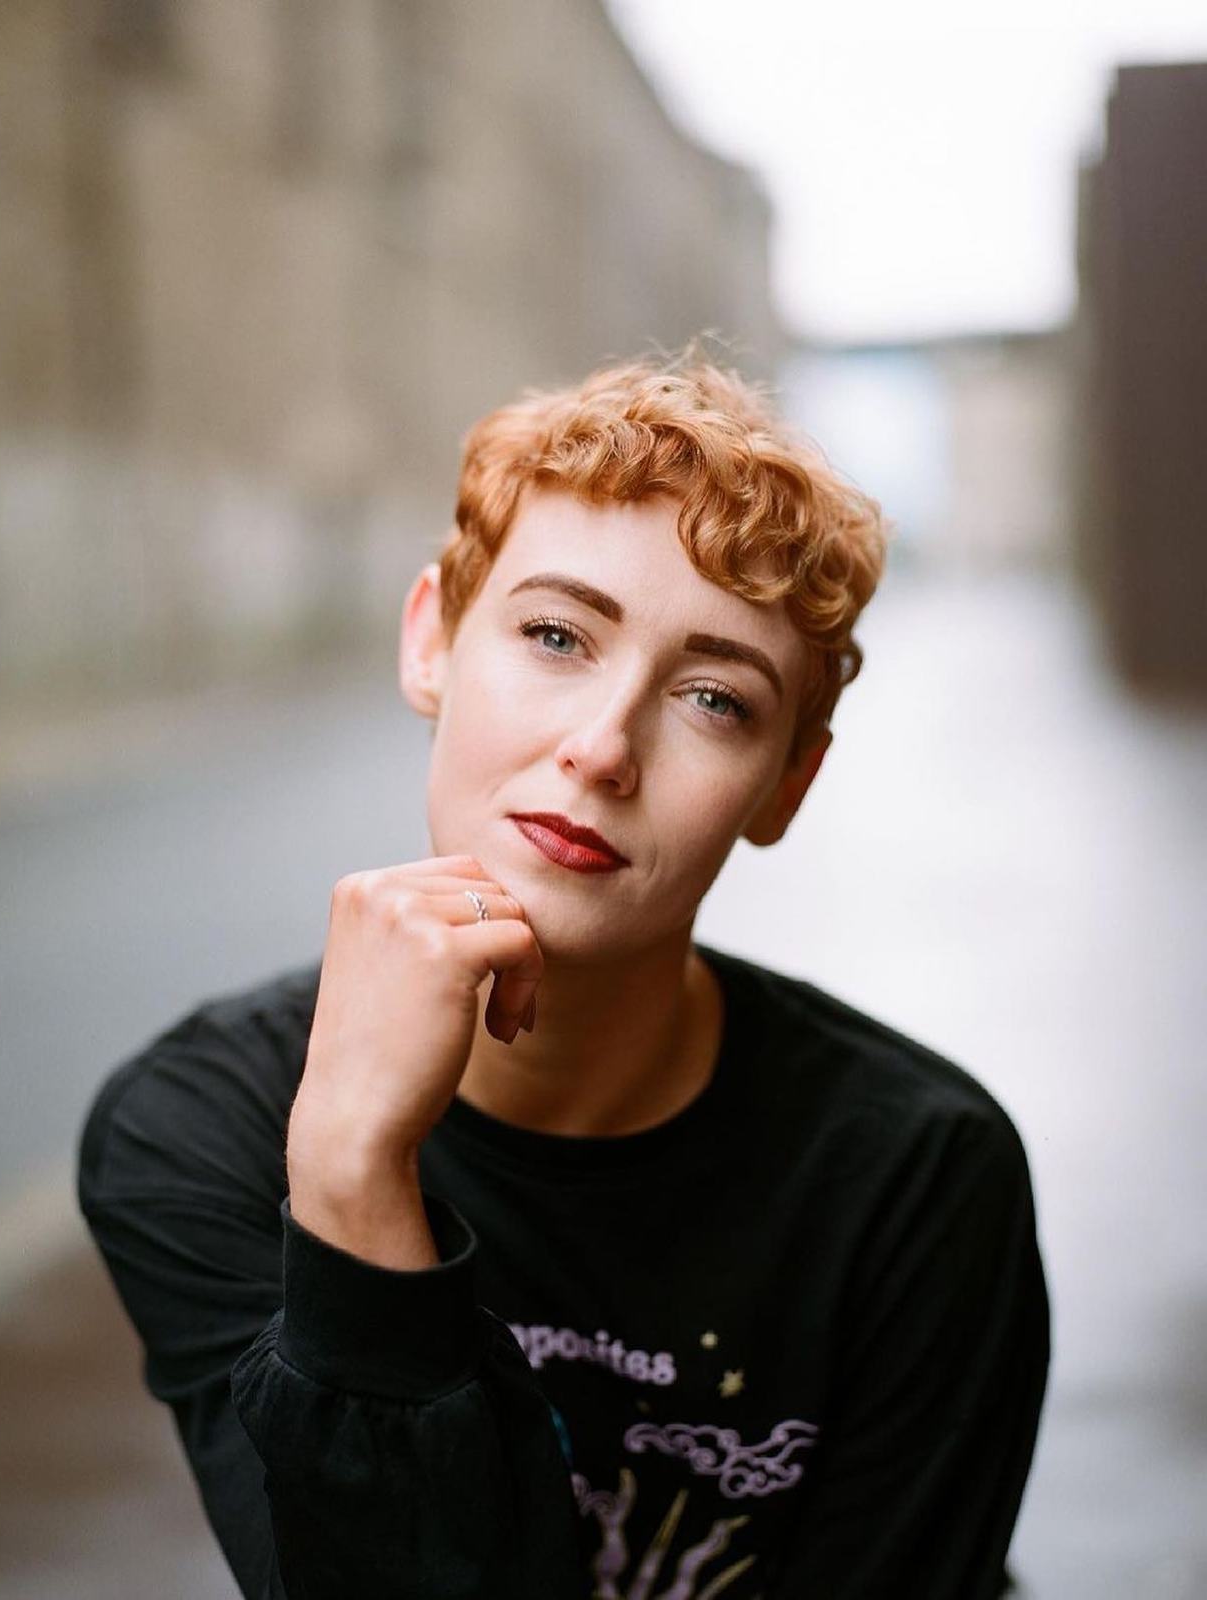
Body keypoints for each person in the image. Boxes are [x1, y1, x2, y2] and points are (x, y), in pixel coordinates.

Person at [77, 353, 1049, 1599]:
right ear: (431, 641)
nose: (600, 749)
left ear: (786, 786)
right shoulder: (194, 1130)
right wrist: (351, 1174)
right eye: (554, 635)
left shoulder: (917, 1180)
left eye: (713, 699)